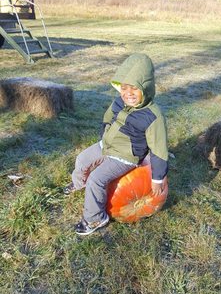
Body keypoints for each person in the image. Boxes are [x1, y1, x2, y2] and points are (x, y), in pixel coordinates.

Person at [64, 53, 168, 236]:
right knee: (82, 160)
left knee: (97, 178)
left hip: (125, 157)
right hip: (107, 145)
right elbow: (107, 118)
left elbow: (159, 148)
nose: (129, 94)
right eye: (124, 88)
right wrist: (104, 137)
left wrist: (158, 178)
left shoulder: (153, 115)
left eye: (135, 89)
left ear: (146, 88)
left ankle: (95, 218)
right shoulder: (119, 101)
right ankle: (79, 184)